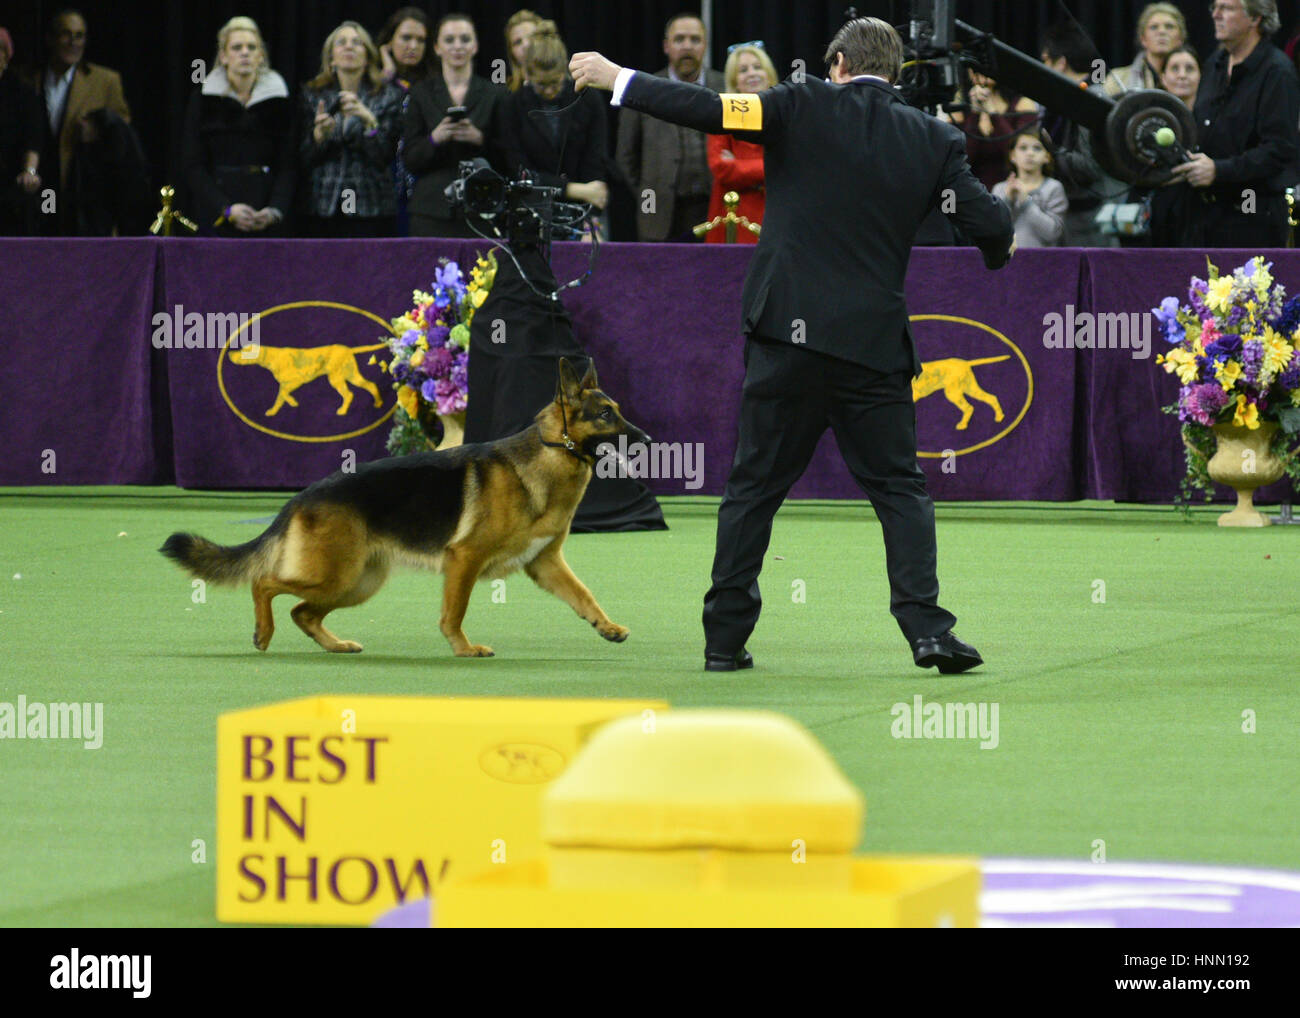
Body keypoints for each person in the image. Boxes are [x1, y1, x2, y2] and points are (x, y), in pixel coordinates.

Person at [571, 16, 1015, 673]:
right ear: (894, 73)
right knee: (899, 491)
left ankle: (723, 642)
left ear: (836, 63)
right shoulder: (931, 138)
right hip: (872, 348)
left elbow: (707, 108)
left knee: (753, 488)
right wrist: (994, 239)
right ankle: (927, 630)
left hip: (786, 338)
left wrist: (618, 79)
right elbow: (989, 228)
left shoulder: (795, 103)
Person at [1168, 0, 1300, 248]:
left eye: (1226, 8)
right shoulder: (1214, 63)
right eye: (1214, 8)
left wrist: (1219, 170)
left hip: (1252, 216)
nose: (1216, 15)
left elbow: (1280, 150)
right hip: (1202, 215)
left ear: (1255, 18)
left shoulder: (1277, 72)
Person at [615, 13, 725, 241]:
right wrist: (650, 195)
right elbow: (626, 158)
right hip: (659, 214)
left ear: (705, 45)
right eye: (679, 39)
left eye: (695, 40)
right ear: (666, 46)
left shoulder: (726, 87)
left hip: (716, 211)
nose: (687, 46)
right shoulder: (641, 91)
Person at [182, 17, 293, 237]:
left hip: (266, 217)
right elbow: (193, 166)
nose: (245, 53)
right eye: (237, 47)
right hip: (216, 219)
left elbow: (289, 165)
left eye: (252, 47)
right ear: (223, 56)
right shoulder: (203, 100)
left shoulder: (280, 101)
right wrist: (225, 208)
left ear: (260, 56)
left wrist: (274, 211)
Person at [496, 20, 608, 230]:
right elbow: (519, 172)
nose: (549, 91)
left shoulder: (588, 99)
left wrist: (591, 219)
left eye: (555, 83)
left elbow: (595, 163)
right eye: (541, 85)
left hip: (585, 211)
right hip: (531, 213)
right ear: (527, 74)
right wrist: (573, 189)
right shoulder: (511, 106)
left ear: (566, 70)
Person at [403, 13, 504, 238]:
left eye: (465, 39)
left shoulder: (495, 94)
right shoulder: (420, 93)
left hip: (483, 208)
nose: (458, 46)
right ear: (437, 47)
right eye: (449, 40)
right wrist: (434, 139)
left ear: (475, 46)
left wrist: (479, 139)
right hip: (431, 210)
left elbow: (509, 158)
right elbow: (409, 159)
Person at [298, 21, 402, 238]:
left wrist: (369, 122)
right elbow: (302, 158)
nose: (349, 47)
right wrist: (319, 137)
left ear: (367, 58)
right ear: (331, 58)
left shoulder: (387, 96)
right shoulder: (312, 95)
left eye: (357, 43)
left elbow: (384, 156)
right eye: (341, 43)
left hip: (370, 206)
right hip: (323, 206)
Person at [34, 9, 132, 235]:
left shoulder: (105, 80)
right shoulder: (29, 79)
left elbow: (123, 130)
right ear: (50, 39)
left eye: (79, 36)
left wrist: (98, 130)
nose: (73, 42)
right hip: (39, 192)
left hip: (85, 196)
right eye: (65, 34)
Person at [1038, 21, 1124, 247]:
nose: (1042, 67)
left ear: (1061, 62)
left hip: (1092, 222)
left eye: (1045, 60)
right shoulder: (1062, 102)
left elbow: (1090, 168)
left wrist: (1052, 152)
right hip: (1074, 217)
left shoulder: (1090, 101)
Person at [705, 42, 777, 244]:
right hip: (732, 217)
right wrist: (771, 166)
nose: (752, 73)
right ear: (734, 81)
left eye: (757, 67)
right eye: (743, 70)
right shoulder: (723, 116)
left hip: (775, 214)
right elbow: (721, 168)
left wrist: (739, 163)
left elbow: (797, 165)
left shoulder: (786, 113)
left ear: (769, 74)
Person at [376, 7, 434, 235]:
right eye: (406, 38)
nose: (413, 46)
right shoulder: (375, 82)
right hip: (381, 189)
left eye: (420, 40)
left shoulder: (434, 84)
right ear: (389, 41)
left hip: (420, 190)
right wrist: (387, 75)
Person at [946, 69, 1038, 193]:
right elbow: (961, 159)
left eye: (986, 65)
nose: (982, 71)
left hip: (1013, 187)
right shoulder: (958, 107)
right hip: (971, 189)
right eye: (975, 67)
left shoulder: (1022, 104)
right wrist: (975, 115)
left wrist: (993, 112)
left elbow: (1015, 151)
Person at [1147, 45, 1202, 247]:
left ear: (1201, 75)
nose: (1182, 75)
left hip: (1202, 215)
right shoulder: (1148, 121)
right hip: (1161, 215)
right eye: (1175, 69)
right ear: (1162, 77)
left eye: (1189, 69)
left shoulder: (1214, 120)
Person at [0, 26, 43, 236]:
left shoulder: (21, 92)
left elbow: (32, 137)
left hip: (10, 183)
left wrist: (30, 171)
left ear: (6, 56)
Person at [992, 129, 1067, 248]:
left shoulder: (1054, 187)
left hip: (1045, 260)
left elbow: (1053, 233)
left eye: (1037, 148)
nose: (1030, 153)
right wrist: (1008, 201)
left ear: (1047, 157)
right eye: (1023, 148)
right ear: (1012, 156)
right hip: (1006, 261)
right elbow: (994, 231)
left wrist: (1026, 202)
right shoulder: (1000, 188)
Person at [1107, 3, 1188, 95]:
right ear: (1143, 39)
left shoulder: (1192, 79)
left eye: (1169, 26)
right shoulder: (1118, 79)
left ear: (1181, 38)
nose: (1161, 31)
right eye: (1154, 27)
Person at [504, 9, 542, 93]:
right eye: (517, 42)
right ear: (512, 53)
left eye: (532, 37)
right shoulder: (505, 96)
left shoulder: (570, 84)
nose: (526, 45)